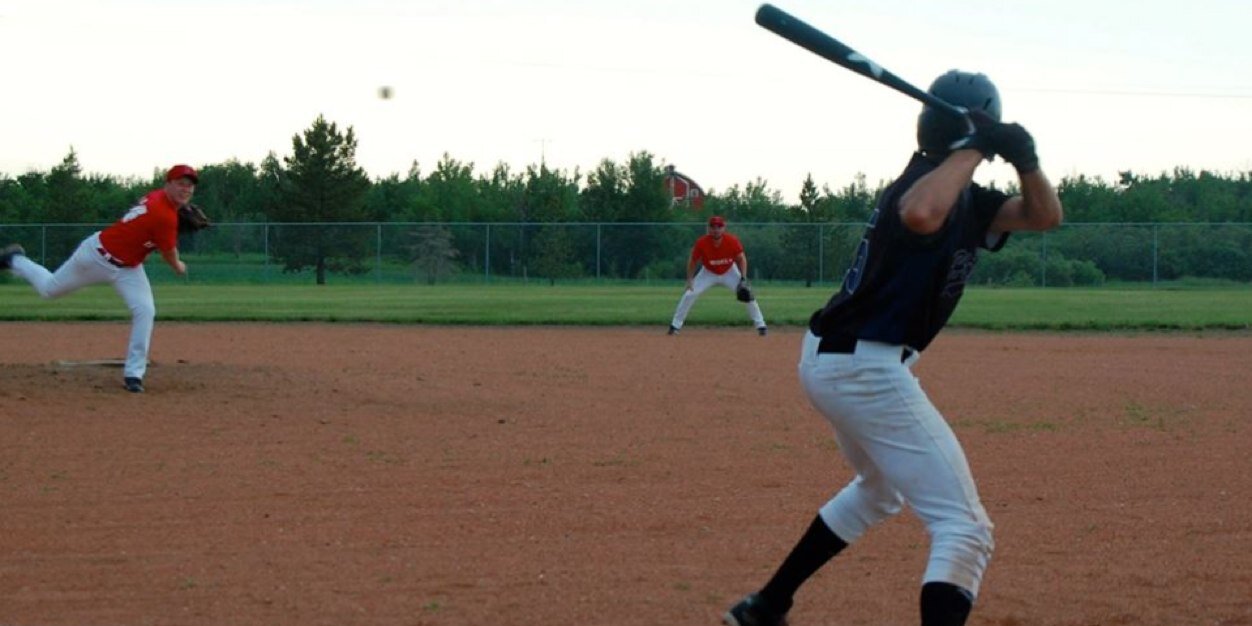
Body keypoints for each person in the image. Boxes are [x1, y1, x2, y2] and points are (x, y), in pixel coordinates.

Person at [722, 70, 1063, 626]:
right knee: (965, 527)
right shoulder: (925, 182)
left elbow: (1046, 215)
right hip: (864, 367)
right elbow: (920, 214)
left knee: (879, 491)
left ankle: (767, 605)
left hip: (844, 363)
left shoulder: (969, 200)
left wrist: (1026, 160)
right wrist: (977, 145)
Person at [0, 164, 202, 394]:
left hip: (128, 268)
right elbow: (169, 255)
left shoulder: (158, 200)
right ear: (168, 184)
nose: (185, 189)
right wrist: (179, 266)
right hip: (95, 258)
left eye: (190, 185)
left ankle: (134, 374)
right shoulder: (164, 215)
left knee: (145, 310)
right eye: (180, 183)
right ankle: (15, 260)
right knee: (49, 290)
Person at [668, 215, 768, 336]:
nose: (716, 229)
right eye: (713, 227)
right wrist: (690, 279)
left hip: (729, 271)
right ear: (708, 228)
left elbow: (741, 258)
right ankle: (675, 326)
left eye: (719, 227)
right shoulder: (702, 243)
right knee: (690, 294)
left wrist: (743, 278)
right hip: (708, 272)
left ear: (724, 228)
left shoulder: (731, 241)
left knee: (746, 294)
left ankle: (761, 326)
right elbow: (692, 261)